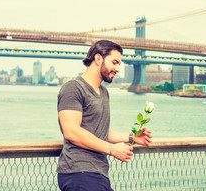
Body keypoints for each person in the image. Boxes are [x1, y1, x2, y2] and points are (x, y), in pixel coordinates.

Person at [57, 40, 152, 191]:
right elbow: (71, 132)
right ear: (98, 59)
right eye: (114, 62)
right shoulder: (73, 88)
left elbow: (98, 132)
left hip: (98, 174)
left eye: (119, 64)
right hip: (79, 173)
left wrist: (132, 137)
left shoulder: (104, 92)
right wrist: (112, 149)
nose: (118, 69)